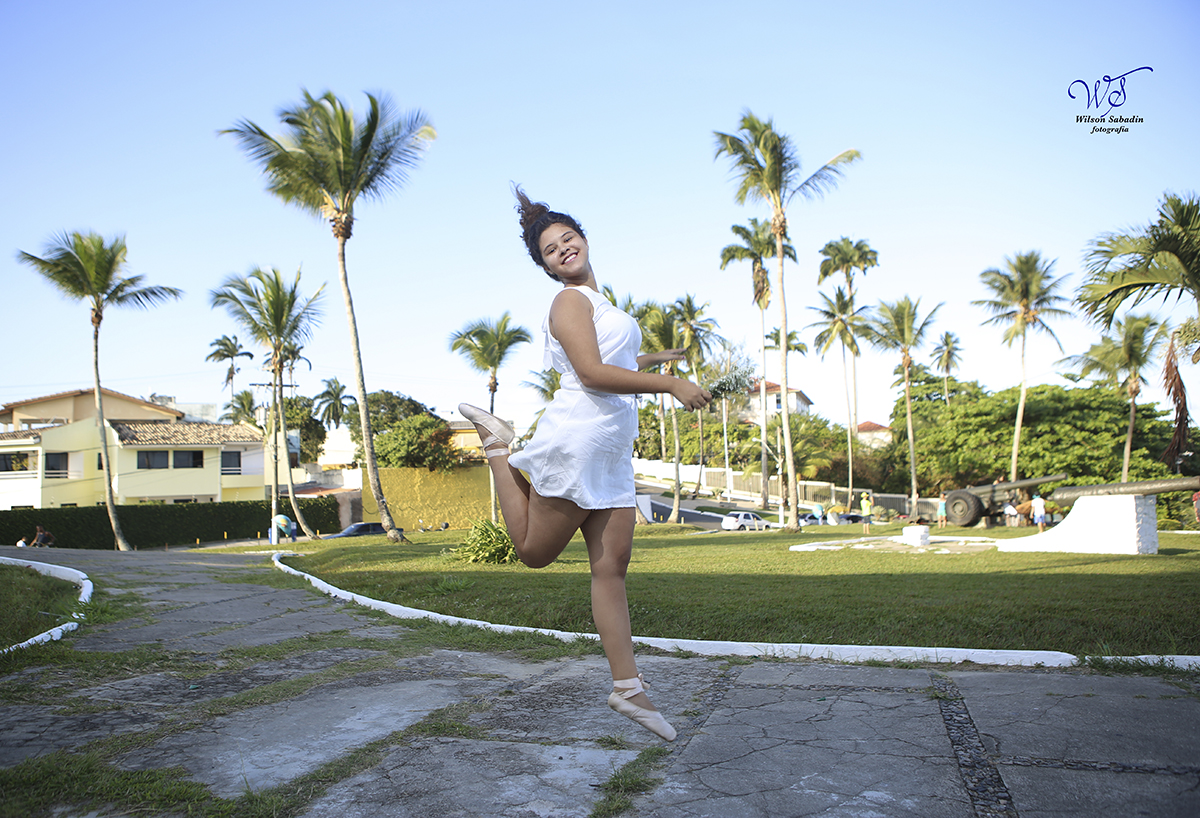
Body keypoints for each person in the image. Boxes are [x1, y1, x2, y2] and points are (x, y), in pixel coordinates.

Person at [457, 187, 711, 742]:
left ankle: (628, 688)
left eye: (567, 238)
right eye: (550, 250)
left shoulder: (602, 305)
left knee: (611, 568)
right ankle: (498, 448)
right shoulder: (568, 302)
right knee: (534, 553)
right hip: (577, 440)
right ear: (547, 267)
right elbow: (591, 374)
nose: (563, 249)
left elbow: (609, 360)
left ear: (585, 239)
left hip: (612, 451)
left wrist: (656, 359)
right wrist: (668, 383)